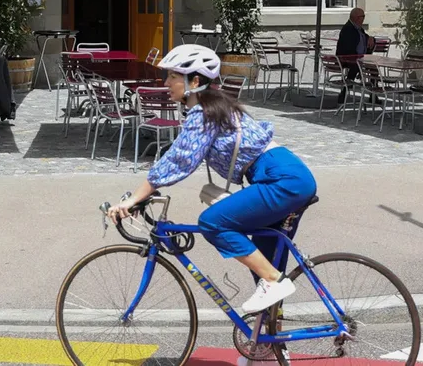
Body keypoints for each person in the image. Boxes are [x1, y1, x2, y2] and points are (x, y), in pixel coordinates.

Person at [107, 44, 316, 315]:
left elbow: (178, 160)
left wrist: (135, 198)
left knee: (213, 222)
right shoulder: (213, 107)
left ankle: (274, 281)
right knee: (264, 256)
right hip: (284, 175)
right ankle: (271, 330)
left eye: (172, 76)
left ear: (194, 81)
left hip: (280, 178)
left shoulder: (204, 113)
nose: (166, 82)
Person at [334, 8, 371, 103]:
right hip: (346, 59)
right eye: (363, 17)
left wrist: (370, 39)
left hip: (359, 58)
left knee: (373, 67)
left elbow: (363, 36)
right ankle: (344, 92)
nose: (363, 19)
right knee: (356, 65)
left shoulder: (358, 28)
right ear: (356, 18)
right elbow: (348, 47)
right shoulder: (348, 29)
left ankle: (373, 95)